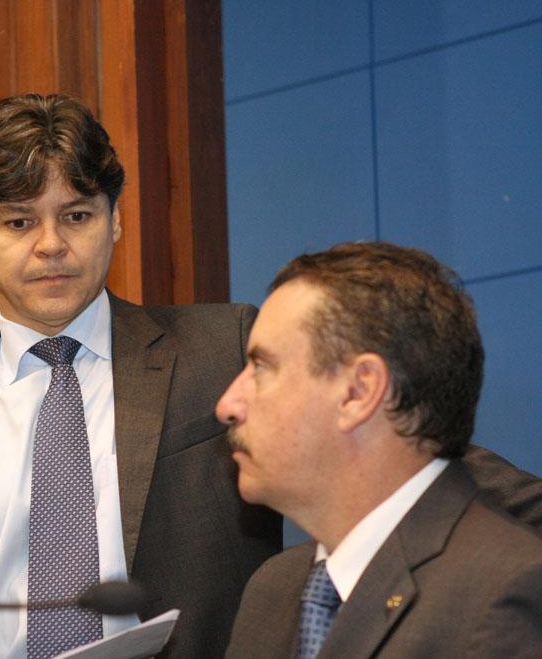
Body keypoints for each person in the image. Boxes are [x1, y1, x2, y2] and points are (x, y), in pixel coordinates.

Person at [0, 93, 282, 659]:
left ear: (115, 219)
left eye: (77, 216)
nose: (51, 245)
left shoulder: (223, 351)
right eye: (19, 221)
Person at [219, 242, 542, 658]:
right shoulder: (272, 591)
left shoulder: (505, 594)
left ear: (360, 391)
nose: (227, 405)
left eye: (262, 367)